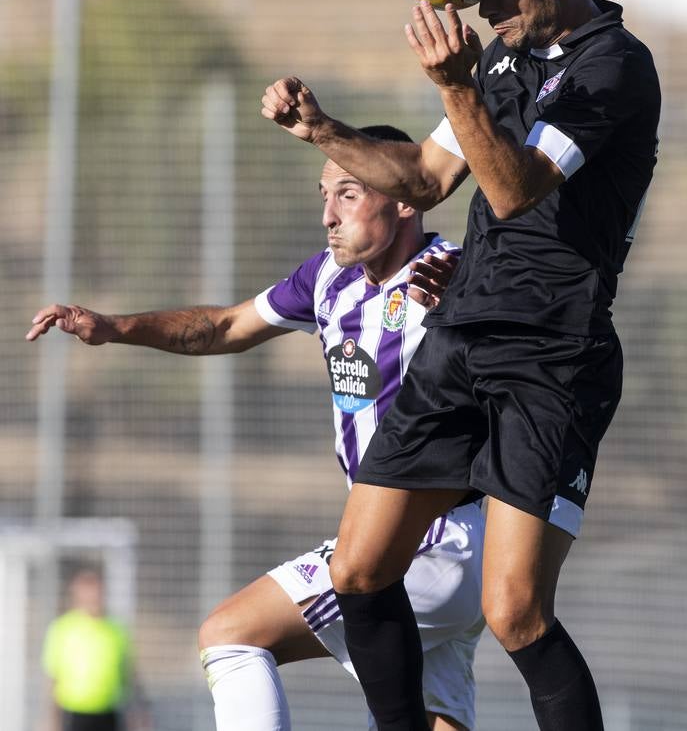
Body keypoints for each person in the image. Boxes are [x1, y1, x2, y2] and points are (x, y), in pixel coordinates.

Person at [260, 0, 661, 731]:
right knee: (360, 570)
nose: (481, 6)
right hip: (461, 337)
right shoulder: (501, 63)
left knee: (514, 610)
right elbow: (423, 179)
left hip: (552, 359)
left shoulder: (613, 66)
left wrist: (452, 85)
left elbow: (513, 191)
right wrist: (321, 129)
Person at [28, 125, 486, 731]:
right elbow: (222, 327)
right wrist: (116, 327)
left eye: (348, 194)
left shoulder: (452, 275)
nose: (327, 214)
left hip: (431, 537)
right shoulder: (329, 279)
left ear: (406, 197)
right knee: (432, 718)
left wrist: (475, 307)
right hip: (416, 540)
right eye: (323, 194)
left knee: (231, 634)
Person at [41, 566, 150, 731]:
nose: (93, 597)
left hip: (108, 711)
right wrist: (51, 720)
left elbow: (130, 676)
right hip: (73, 713)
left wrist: (139, 715)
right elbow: (53, 678)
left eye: (97, 591)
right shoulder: (62, 628)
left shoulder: (116, 629)